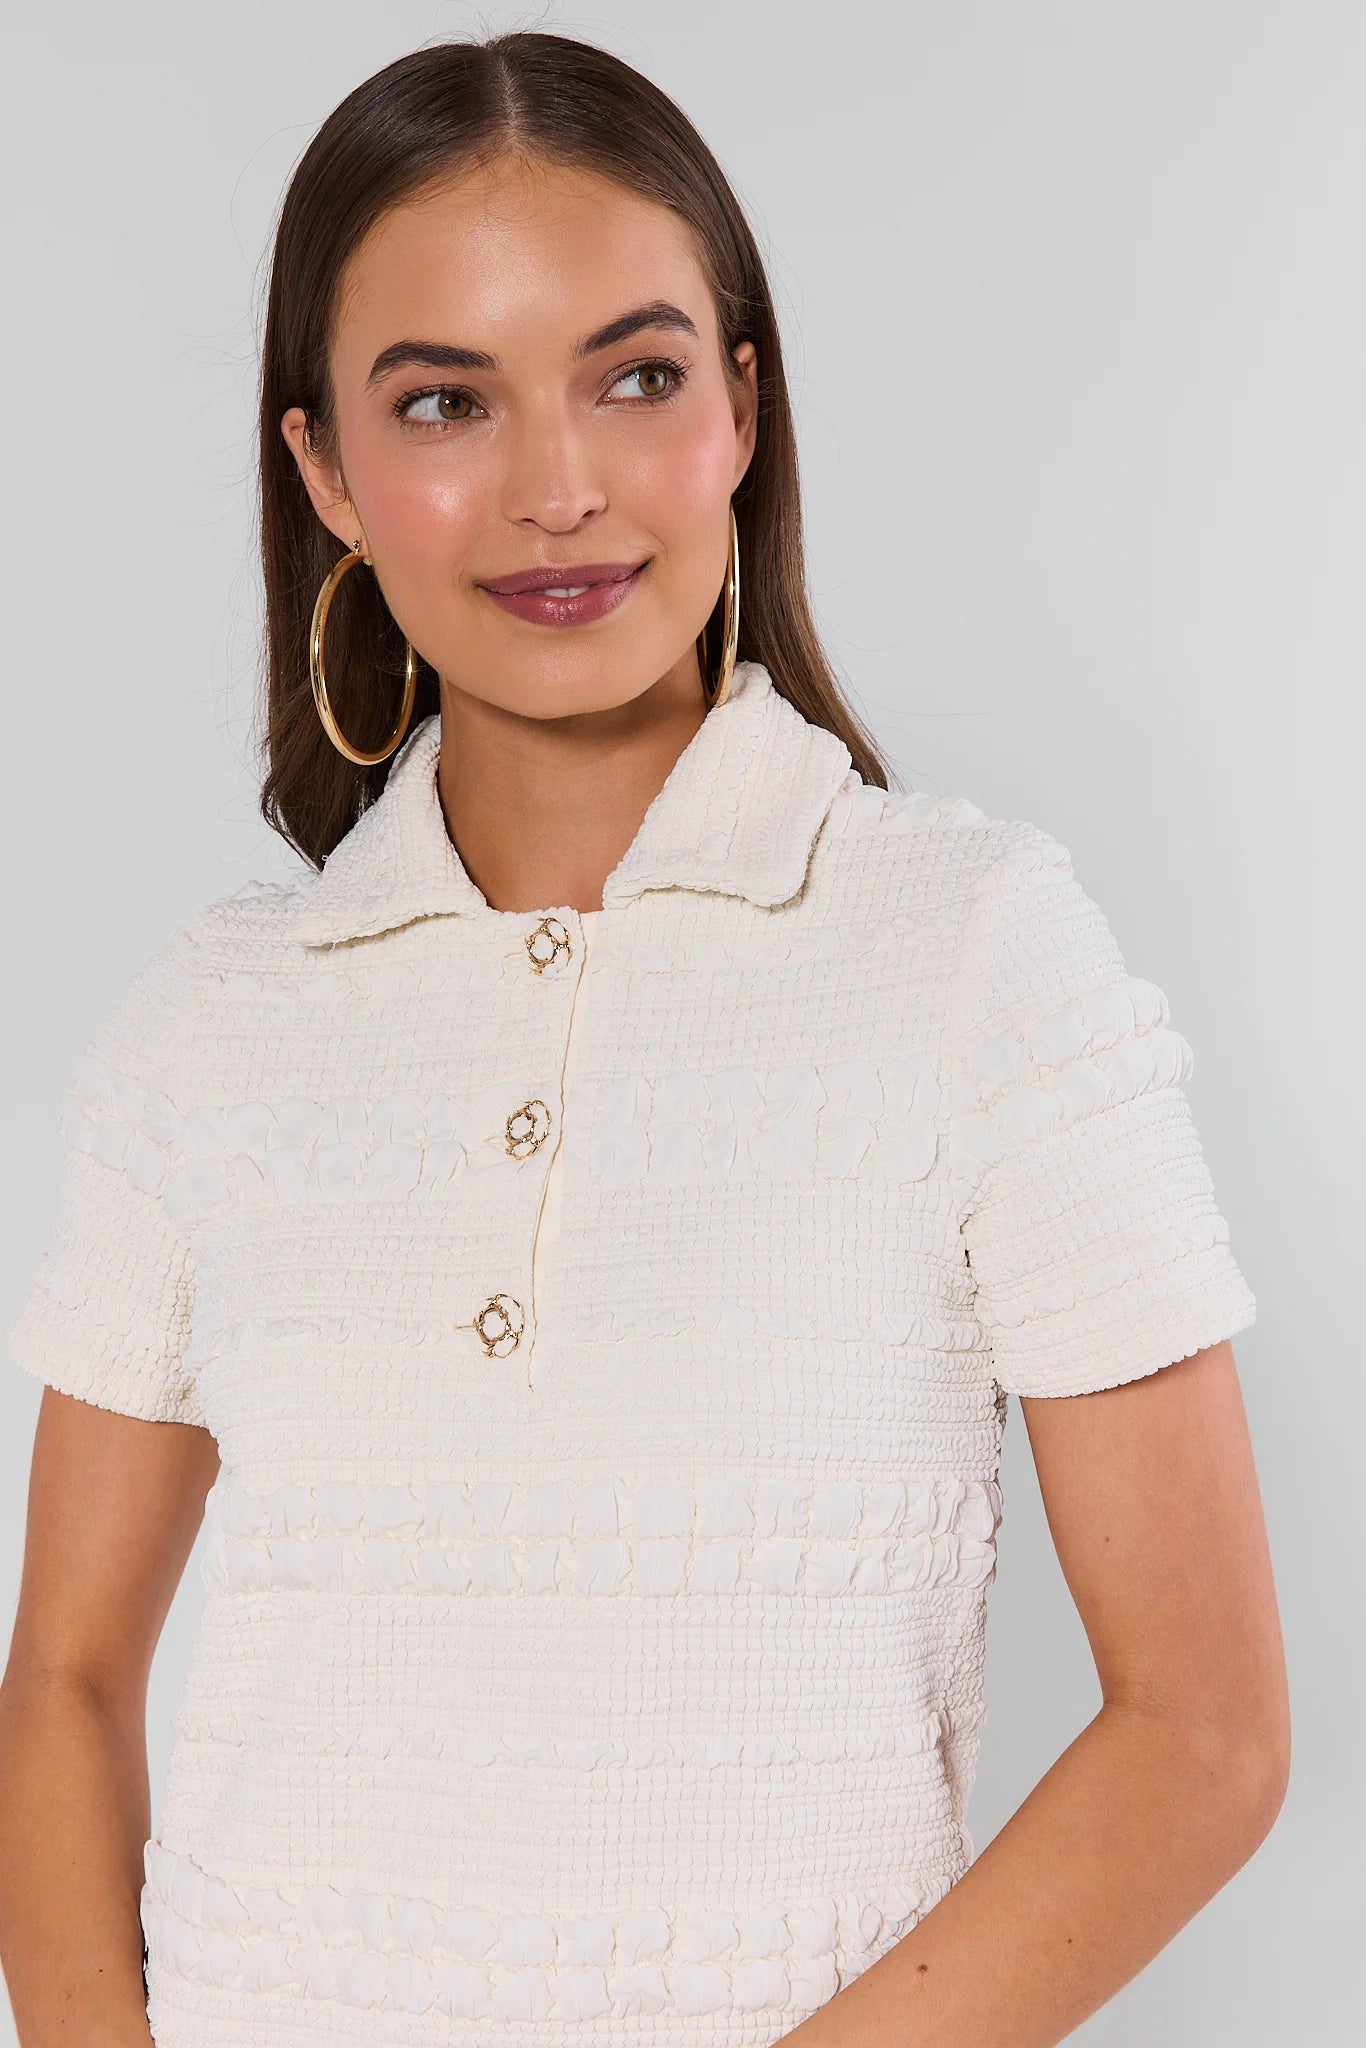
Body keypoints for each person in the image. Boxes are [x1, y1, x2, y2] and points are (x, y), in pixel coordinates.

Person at [0, 29, 1288, 2048]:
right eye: (444, 401)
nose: (559, 486)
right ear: (325, 468)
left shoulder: (971, 949)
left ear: (742, 407)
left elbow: (1201, 1735)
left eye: (636, 372)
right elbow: (66, 1681)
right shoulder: (214, 1022)